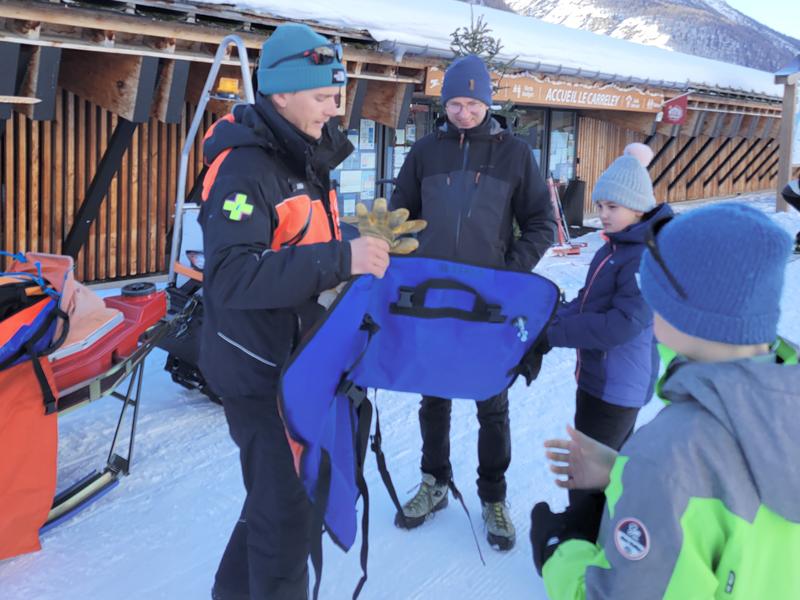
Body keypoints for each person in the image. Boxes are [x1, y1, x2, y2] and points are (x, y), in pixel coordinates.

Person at [198, 24, 390, 600]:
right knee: (286, 521)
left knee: (276, 502)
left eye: (337, 95)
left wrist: (360, 243)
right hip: (258, 372)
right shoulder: (245, 168)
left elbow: (297, 243)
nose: (335, 109)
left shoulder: (302, 157)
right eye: (323, 96)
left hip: (298, 365)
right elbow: (231, 276)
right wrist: (341, 256)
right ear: (281, 94)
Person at [530, 203, 798, 598]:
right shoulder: (781, 406)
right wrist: (622, 470)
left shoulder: (671, 455)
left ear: (681, 307)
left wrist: (561, 553)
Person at [390, 53, 556, 550]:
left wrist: (508, 274)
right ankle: (434, 482)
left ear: (487, 101)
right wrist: (387, 244)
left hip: (487, 304)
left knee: (491, 401)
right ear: (445, 104)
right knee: (433, 395)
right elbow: (399, 216)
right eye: (456, 103)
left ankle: (493, 496)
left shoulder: (515, 155)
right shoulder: (424, 152)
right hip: (432, 298)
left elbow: (542, 224)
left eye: (472, 103)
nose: (463, 112)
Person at [542, 143, 673, 538]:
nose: (602, 214)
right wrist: (552, 317)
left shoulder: (643, 256)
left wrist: (553, 335)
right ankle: (597, 531)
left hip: (616, 388)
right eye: (600, 206)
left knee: (590, 467)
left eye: (612, 207)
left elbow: (621, 326)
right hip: (602, 379)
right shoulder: (616, 248)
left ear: (638, 208)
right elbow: (587, 302)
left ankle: (583, 540)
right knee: (603, 463)